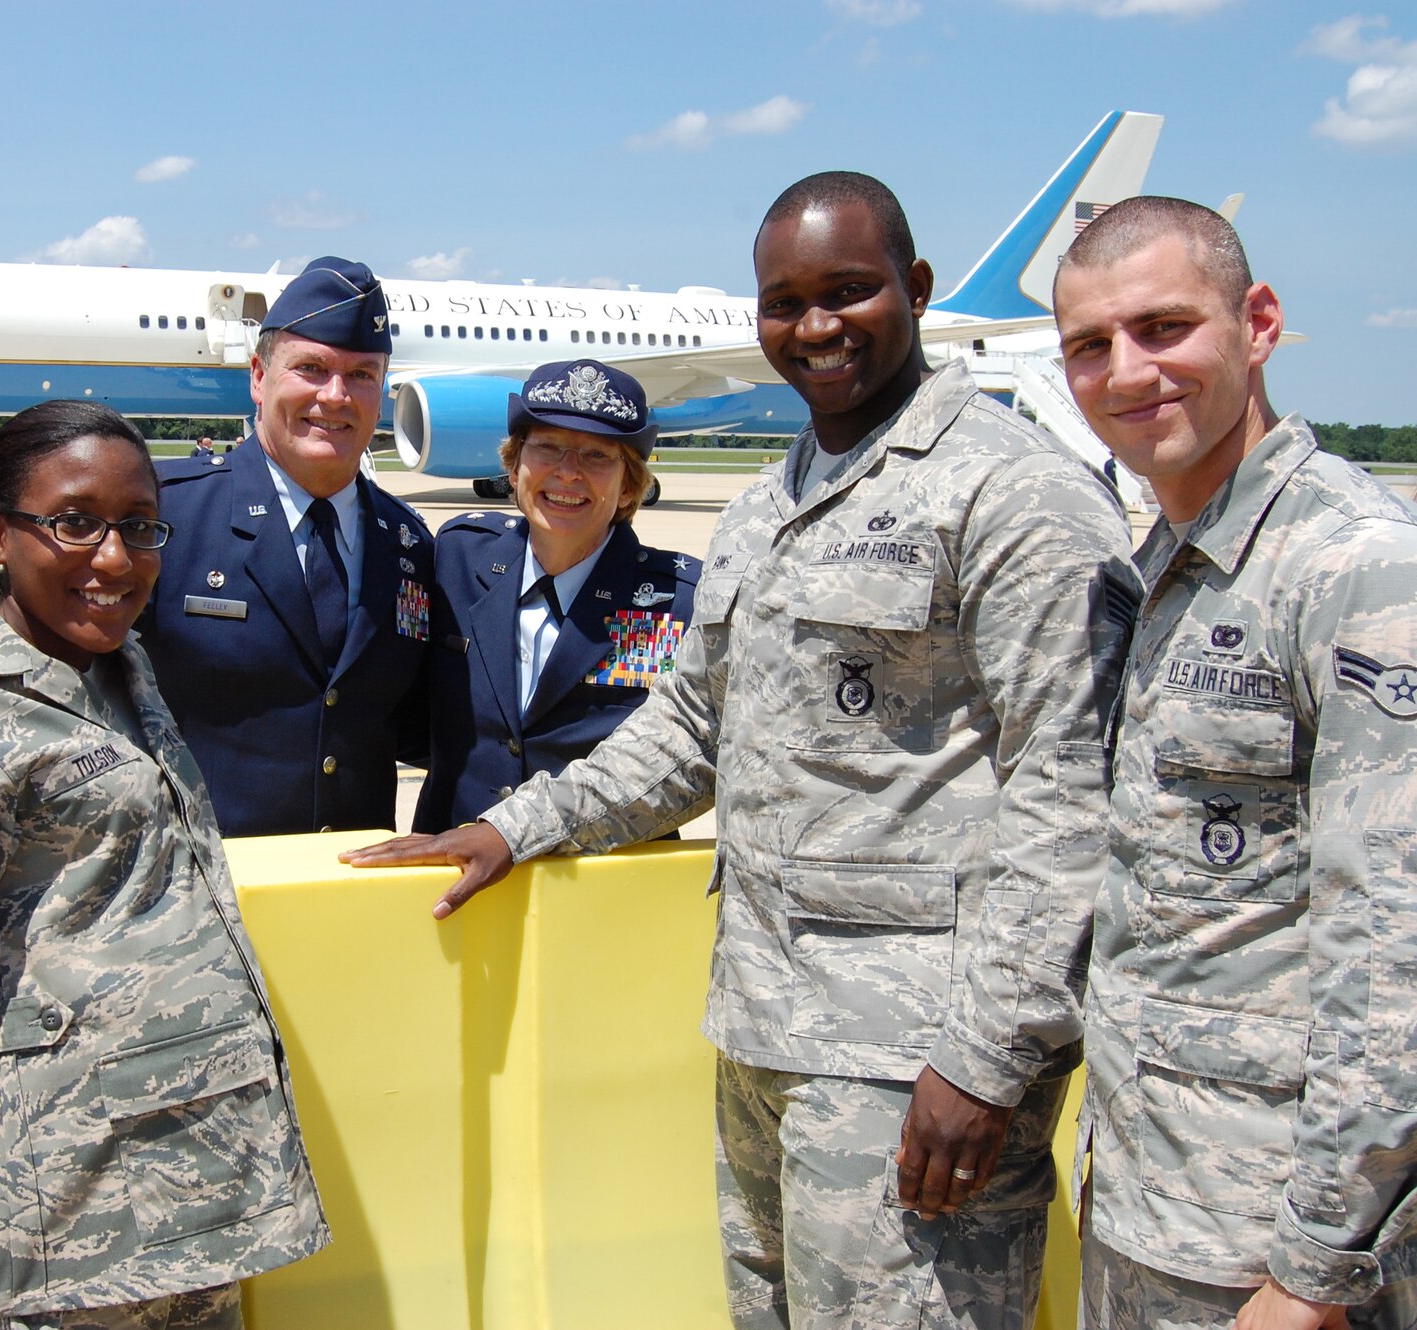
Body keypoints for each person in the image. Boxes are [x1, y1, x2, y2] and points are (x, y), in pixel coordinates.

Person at [344, 173, 1142, 1329]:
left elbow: (1072, 789)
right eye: (783, 301)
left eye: (848, 291)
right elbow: (689, 727)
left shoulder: (1011, 493)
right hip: (763, 1033)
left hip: (916, 1061)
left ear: (914, 291)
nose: (812, 326)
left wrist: (986, 1056)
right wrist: (513, 824)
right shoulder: (767, 507)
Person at [0, 400, 327, 1329]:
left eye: (138, 527)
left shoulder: (112, 666)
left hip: (178, 1225)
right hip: (61, 1256)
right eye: (75, 522)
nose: (115, 559)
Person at [1054, 197, 1417, 1330]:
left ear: (1255, 323)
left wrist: (1312, 1265)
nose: (1125, 372)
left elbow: (1393, 946)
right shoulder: (1171, 563)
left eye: (1163, 327)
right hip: (1145, 1200)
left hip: (1267, 1251)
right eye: (1088, 345)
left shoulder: (1352, 569)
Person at [138, 256, 434, 836]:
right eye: (312, 368)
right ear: (258, 376)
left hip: (343, 891)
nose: (336, 395)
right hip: (197, 893)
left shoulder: (409, 544)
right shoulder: (166, 517)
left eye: (362, 375)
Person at [413, 357, 699, 833]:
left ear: (629, 486)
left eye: (596, 456)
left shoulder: (679, 603)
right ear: (514, 464)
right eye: (547, 448)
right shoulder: (457, 561)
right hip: (450, 877)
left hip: (603, 886)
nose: (567, 473)